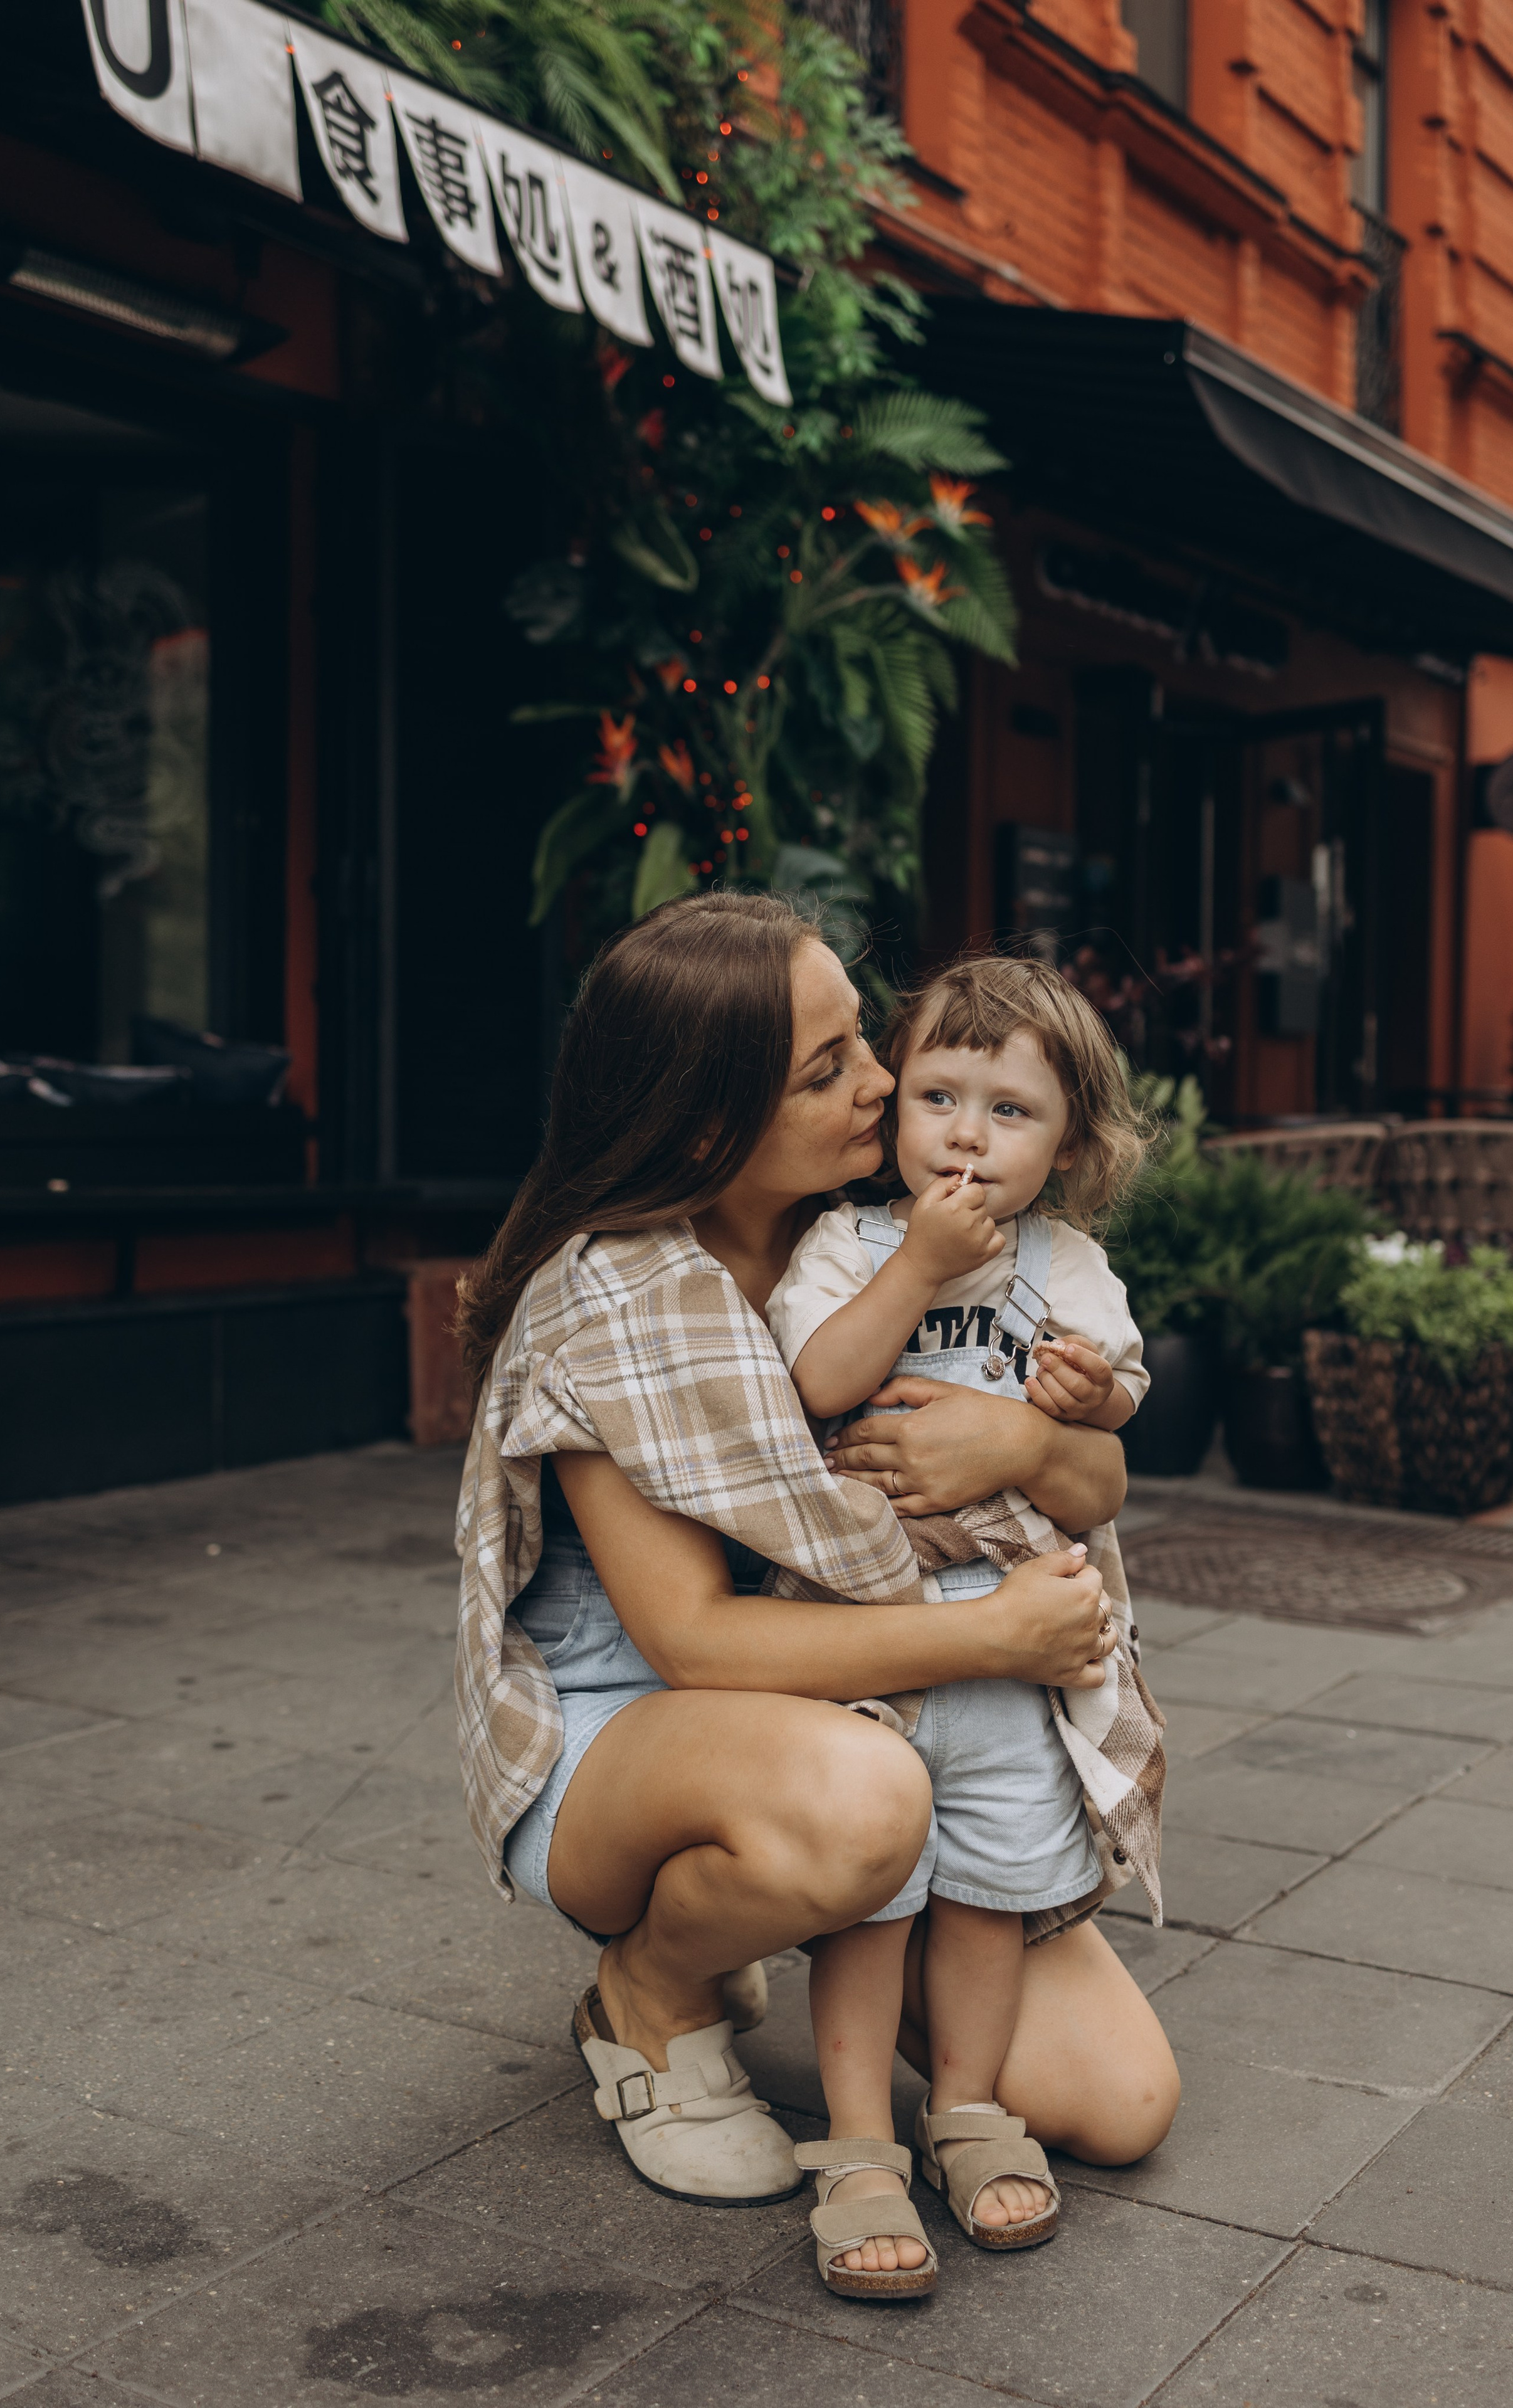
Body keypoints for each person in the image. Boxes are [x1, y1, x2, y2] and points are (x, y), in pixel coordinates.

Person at [451, 892, 1178, 2246]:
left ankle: (811, 1917)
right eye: (828, 1065)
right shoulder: (611, 1302)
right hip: (632, 1745)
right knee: (862, 1801)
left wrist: (1017, 1435)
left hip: (861, 1696)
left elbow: (1098, 1484)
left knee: (1118, 2099)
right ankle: (654, 1987)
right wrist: (995, 1641)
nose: (888, 1082)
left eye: (863, 1042)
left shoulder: (867, 1240)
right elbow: (699, 1647)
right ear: (704, 1118)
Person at [768, 956, 1163, 2294]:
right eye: (938, 1095)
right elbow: (817, 1382)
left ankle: (967, 2108)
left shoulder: (1069, 1264)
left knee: (989, 1886)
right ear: (893, 1107)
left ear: (1066, 1150)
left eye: (1008, 1112)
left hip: (1013, 1636)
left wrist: (1079, 1399)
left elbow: (1110, 1419)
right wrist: (924, 1265)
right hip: (866, 1621)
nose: (964, 1134)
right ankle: (859, 2142)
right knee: (874, 1898)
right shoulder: (849, 1243)